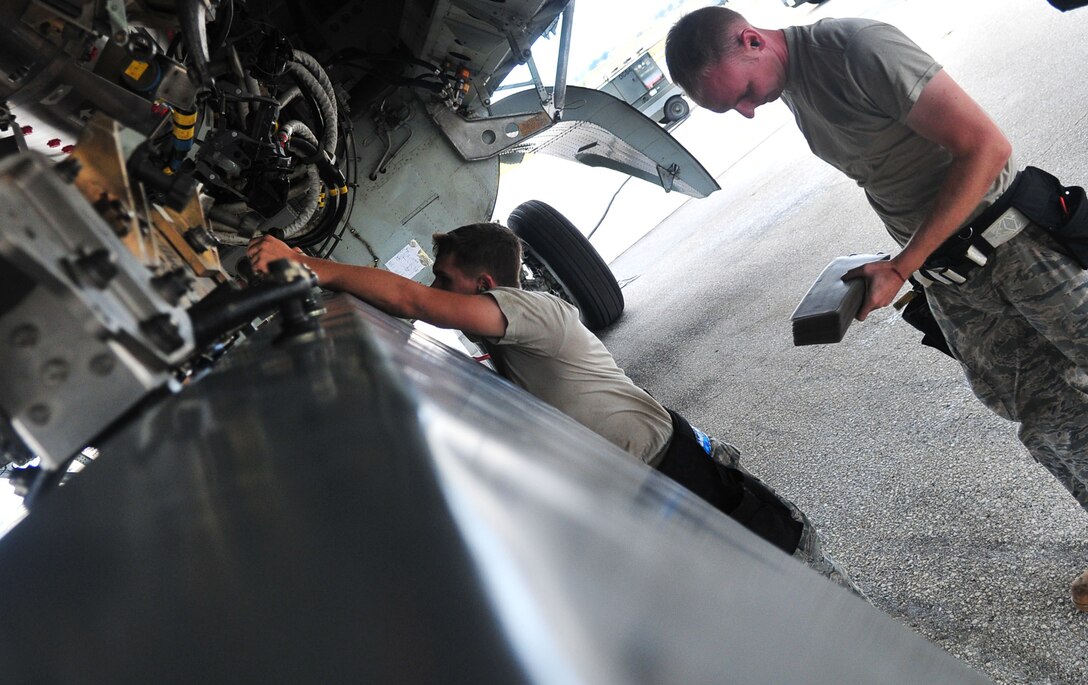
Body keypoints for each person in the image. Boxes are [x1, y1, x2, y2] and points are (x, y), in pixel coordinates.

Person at [664, 6, 1088, 610]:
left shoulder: (856, 49)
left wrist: (901, 265)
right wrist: (915, 265)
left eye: (744, 94)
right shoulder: (793, 86)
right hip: (955, 277)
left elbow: (985, 148)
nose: (749, 111)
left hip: (1014, 245)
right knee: (1046, 415)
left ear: (753, 41)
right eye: (732, 108)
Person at [247, 223, 863, 595]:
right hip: (640, 483)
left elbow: (409, 300)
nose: (437, 291)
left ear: (485, 286)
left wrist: (306, 265)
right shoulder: (506, 345)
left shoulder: (535, 311)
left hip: (670, 467)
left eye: (447, 281)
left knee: (792, 572)